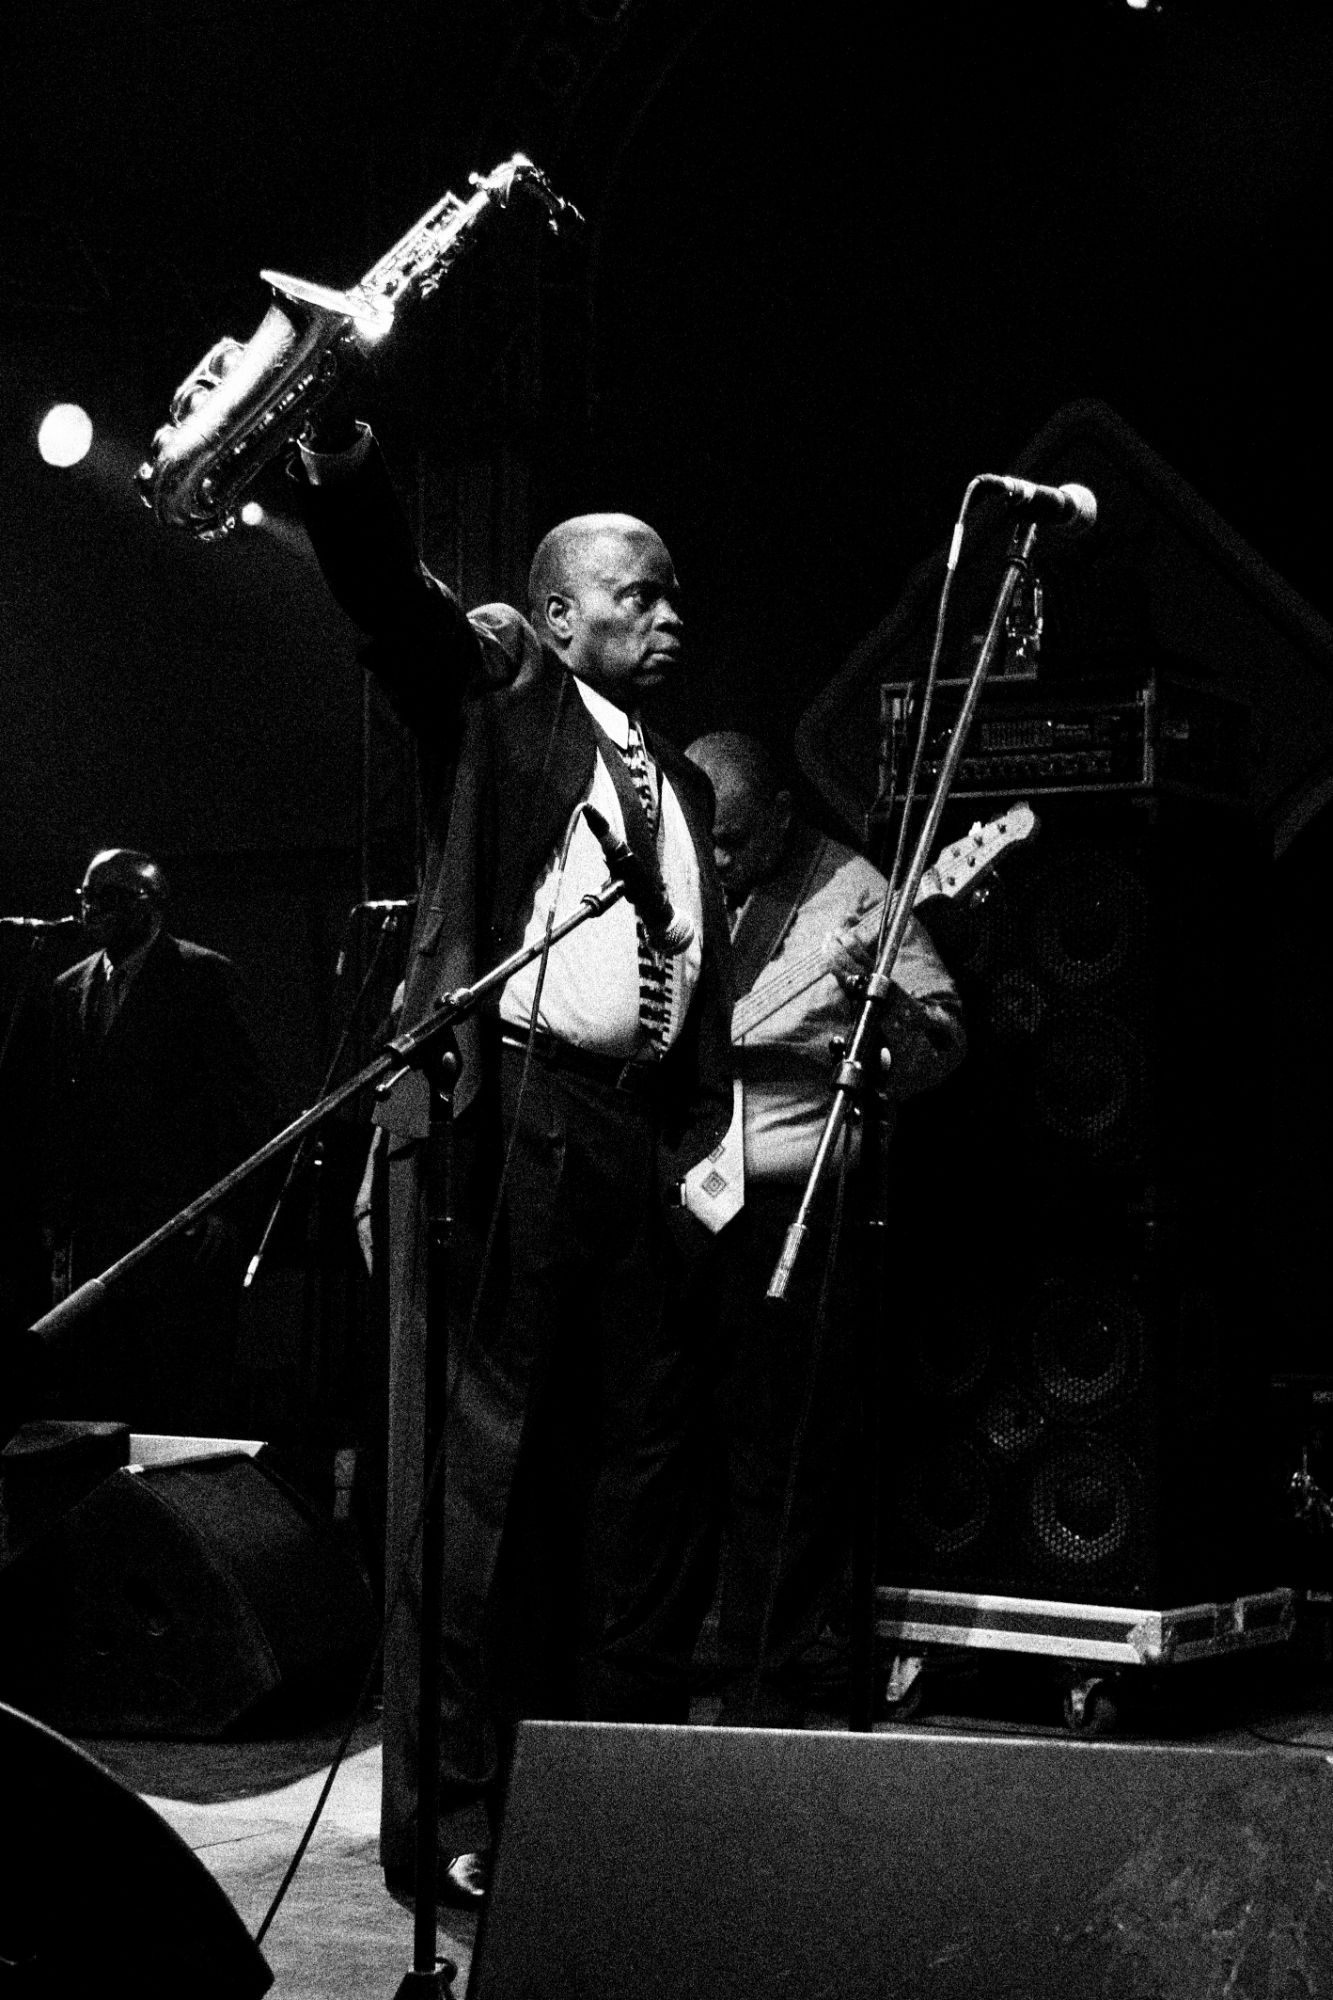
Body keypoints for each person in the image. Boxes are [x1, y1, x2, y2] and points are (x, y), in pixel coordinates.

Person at [292, 410, 734, 1905]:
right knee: (469, 1498)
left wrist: (702, 1132)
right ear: (556, 614)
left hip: (631, 1146)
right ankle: (457, 1820)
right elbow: (394, 607)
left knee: (623, 1494)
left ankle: (609, 1791)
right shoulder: (500, 696)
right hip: (508, 1120)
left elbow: (696, 983)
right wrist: (350, 464)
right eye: (639, 595)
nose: (671, 617)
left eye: (676, 597)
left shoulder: (675, 778)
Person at [682, 731, 966, 1726]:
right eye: (702, 839)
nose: (715, 860)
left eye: (734, 841)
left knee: (781, 1463)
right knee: (664, 1450)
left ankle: (768, 1689)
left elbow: (939, 1044)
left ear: (783, 817)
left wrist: (881, 1011)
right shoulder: (672, 876)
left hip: (792, 1213)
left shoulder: (855, 895)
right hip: (674, 1211)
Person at [42, 848, 271, 1434]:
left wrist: (230, 1209)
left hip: (178, 1228)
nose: (92, 910)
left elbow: (244, 1105)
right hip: (97, 1230)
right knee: (97, 1392)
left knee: (174, 1397)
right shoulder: (69, 986)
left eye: (110, 897)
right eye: (86, 897)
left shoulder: (204, 976)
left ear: (151, 904)